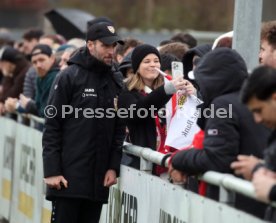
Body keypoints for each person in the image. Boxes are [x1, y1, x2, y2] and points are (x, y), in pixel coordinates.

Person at [168, 48, 269, 218]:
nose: (201, 86)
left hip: (235, 206)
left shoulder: (223, 104)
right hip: (259, 202)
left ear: (214, 79)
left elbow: (217, 158)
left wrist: (178, 159)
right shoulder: (258, 100)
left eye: (203, 81)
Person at [42, 21, 125, 223]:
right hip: (67, 179)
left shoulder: (115, 79)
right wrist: (52, 171)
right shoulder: (69, 76)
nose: (111, 51)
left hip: (98, 182)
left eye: (113, 46)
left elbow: (118, 128)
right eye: (105, 45)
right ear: (90, 45)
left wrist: (113, 166)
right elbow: (52, 125)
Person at [118, 44, 196, 171]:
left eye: (156, 61)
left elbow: (186, 114)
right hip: (145, 164)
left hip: (173, 159)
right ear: (137, 67)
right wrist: (166, 91)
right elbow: (137, 113)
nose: (153, 65)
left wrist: (192, 95)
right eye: (147, 61)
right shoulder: (128, 92)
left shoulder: (169, 87)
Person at [0, 45, 30, 115]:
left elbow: (10, 95)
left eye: (1, 63)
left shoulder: (24, 73)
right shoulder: (14, 73)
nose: (0, 67)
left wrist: (7, 75)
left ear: (9, 63)